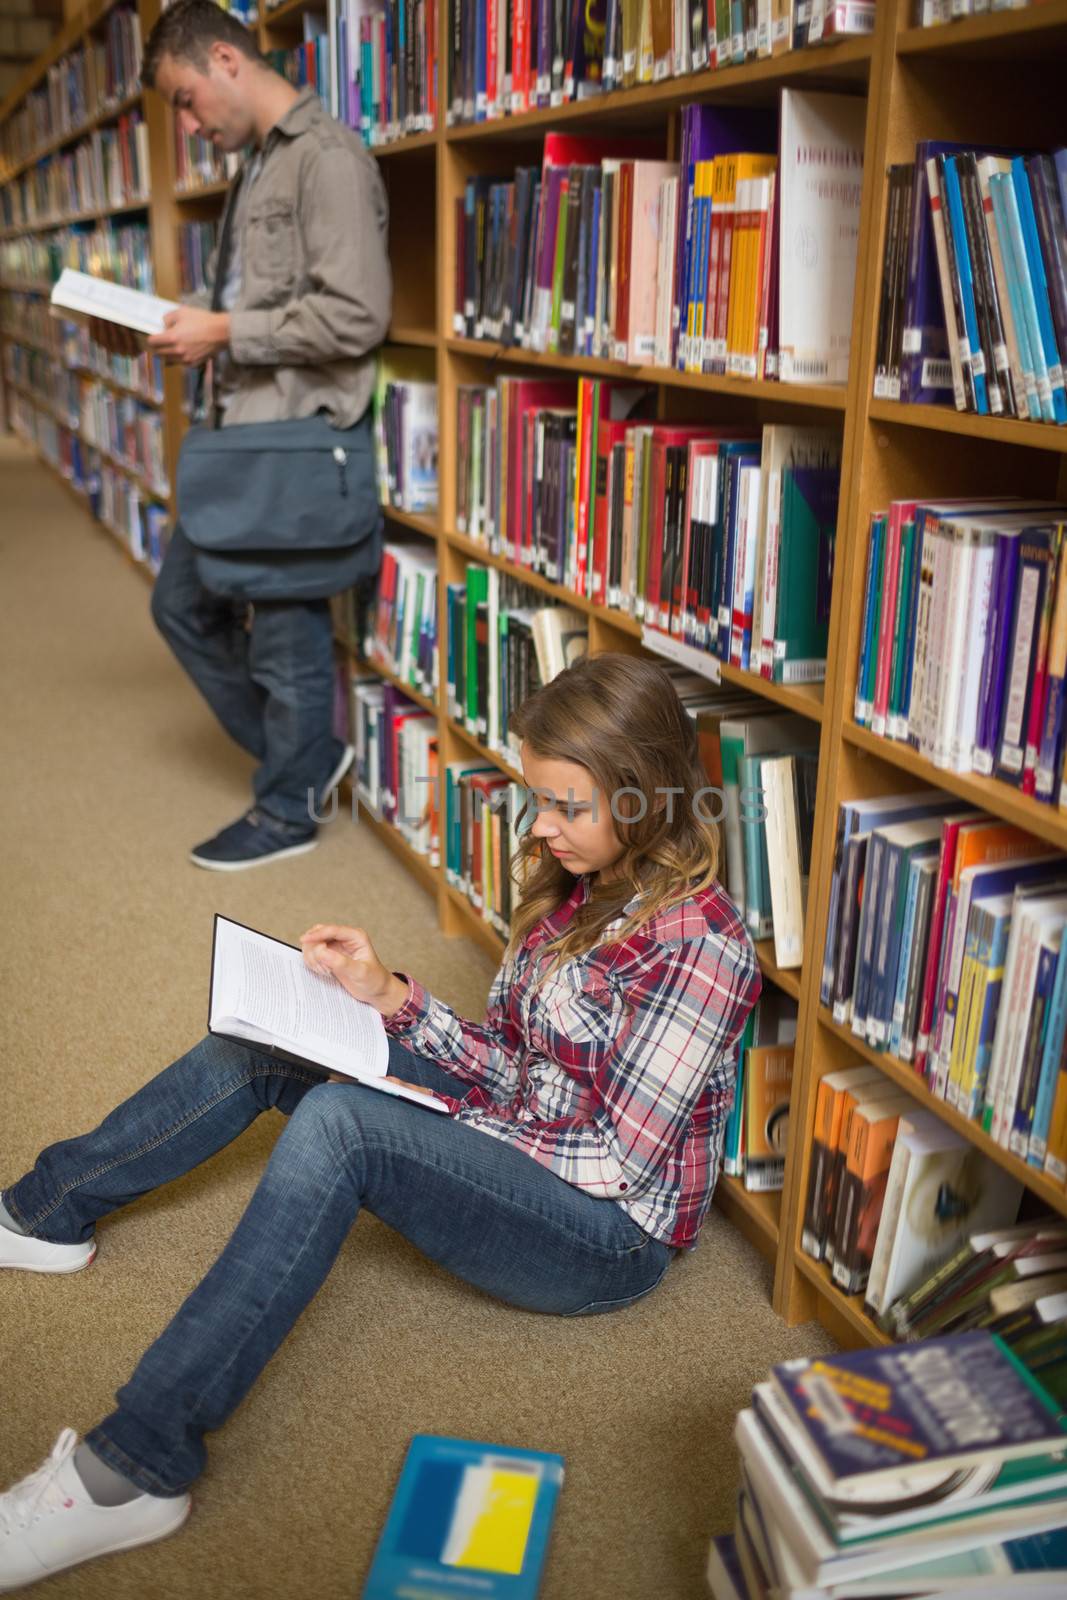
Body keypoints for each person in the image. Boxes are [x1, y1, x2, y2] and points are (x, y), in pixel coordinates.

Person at [0, 654, 761, 1591]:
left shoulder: (702, 951)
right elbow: (526, 1067)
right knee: (272, 1040)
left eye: (567, 806)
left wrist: (424, 1105)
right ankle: (39, 1215)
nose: (540, 827)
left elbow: (610, 1159)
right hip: (535, 1136)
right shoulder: (585, 879)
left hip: (602, 1236)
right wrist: (390, 998)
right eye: (538, 799)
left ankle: (136, 1468)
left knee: (341, 1123)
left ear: (645, 801)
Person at [107, 0, 391, 871]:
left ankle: (287, 808)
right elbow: (261, 308)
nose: (189, 125)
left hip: (298, 444)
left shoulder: (327, 157)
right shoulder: (255, 166)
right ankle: (304, 761)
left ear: (226, 58)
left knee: (285, 628)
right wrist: (184, 336)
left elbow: (355, 315)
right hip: (243, 438)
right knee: (181, 604)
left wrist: (223, 332)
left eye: (187, 101)